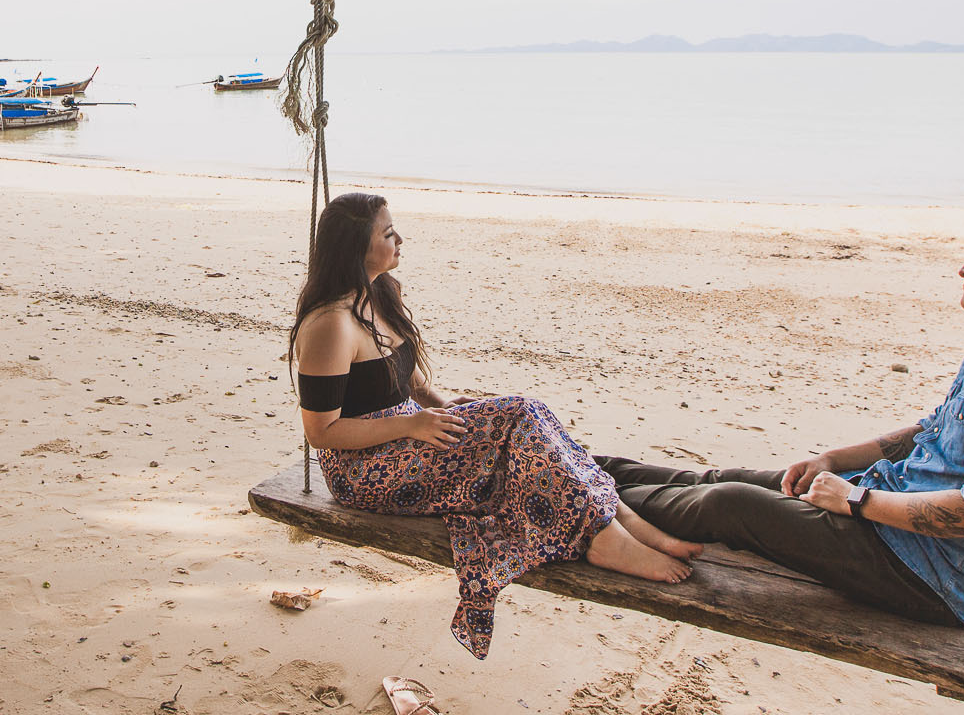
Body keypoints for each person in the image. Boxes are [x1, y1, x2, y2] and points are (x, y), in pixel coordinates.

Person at [595, 194, 964, 630]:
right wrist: (833, 460)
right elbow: (933, 431)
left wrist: (856, 499)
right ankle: (584, 467)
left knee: (728, 504)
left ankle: (574, 494)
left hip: (934, 574)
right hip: (895, 510)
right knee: (729, 477)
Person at [292, 192, 697, 657]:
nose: (399, 239)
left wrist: (444, 405)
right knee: (518, 418)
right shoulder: (329, 325)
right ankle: (605, 540)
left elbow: (407, 379)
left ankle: (617, 517)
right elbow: (321, 432)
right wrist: (411, 426)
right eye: (387, 234)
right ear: (354, 247)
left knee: (528, 412)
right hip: (364, 470)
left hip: (408, 434)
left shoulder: (382, 293)